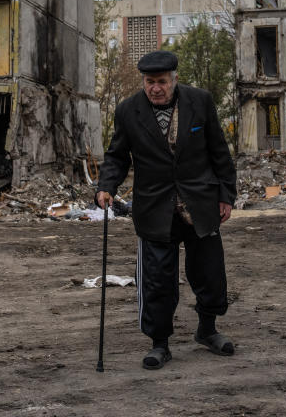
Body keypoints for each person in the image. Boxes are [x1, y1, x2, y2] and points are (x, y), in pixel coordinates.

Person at [96, 50, 238, 370]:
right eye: (149, 82)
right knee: (157, 281)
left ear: (174, 79)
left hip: (200, 204)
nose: (155, 88)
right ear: (143, 81)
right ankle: (159, 343)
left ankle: (207, 330)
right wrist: (106, 186)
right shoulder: (128, 111)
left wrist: (226, 195)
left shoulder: (199, 102)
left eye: (161, 82)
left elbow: (219, 152)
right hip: (154, 209)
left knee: (210, 274)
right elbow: (117, 156)